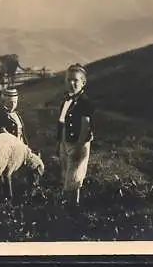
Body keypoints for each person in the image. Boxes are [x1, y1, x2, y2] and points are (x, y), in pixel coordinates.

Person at [55, 63, 95, 208]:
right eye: (68, 80)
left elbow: (85, 125)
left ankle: (72, 208)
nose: (71, 83)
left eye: (75, 80)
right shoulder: (66, 100)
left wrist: (78, 145)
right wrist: (60, 142)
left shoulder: (84, 102)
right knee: (67, 174)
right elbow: (62, 121)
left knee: (74, 176)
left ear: (83, 83)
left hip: (78, 142)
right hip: (66, 141)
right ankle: (72, 205)